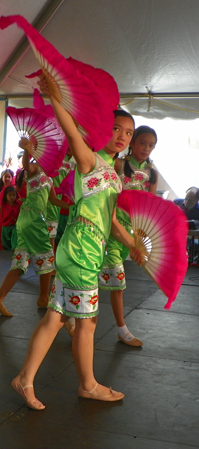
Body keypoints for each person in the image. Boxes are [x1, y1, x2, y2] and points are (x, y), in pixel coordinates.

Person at [11, 75, 143, 410]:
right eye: (117, 129)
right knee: (87, 321)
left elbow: (112, 223)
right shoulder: (91, 160)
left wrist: (133, 245)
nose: (122, 137)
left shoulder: (114, 174)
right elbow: (71, 131)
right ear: (102, 127)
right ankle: (88, 385)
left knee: (56, 316)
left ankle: (24, 379)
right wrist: (56, 96)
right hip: (81, 249)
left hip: (83, 247)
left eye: (128, 133)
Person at [0, 146, 69, 317]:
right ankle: (43, 297)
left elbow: (54, 200)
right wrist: (27, 149)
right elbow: (26, 163)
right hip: (33, 218)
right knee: (47, 257)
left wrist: (74, 205)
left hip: (25, 220)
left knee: (20, 261)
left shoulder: (50, 178)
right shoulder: (36, 168)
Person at [99, 126, 158, 347]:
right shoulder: (118, 165)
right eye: (142, 142)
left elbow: (150, 209)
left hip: (131, 235)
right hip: (110, 230)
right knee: (117, 282)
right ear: (132, 142)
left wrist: (142, 240)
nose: (146, 148)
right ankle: (122, 330)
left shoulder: (152, 174)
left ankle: (66, 318)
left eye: (151, 145)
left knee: (96, 279)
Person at [0, 185, 22, 251]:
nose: (12, 197)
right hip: (5, 227)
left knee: (15, 236)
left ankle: (15, 249)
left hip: (14, 226)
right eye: (10, 195)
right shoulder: (2, 206)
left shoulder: (18, 205)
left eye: (14, 195)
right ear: (5, 196)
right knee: (5, 244)